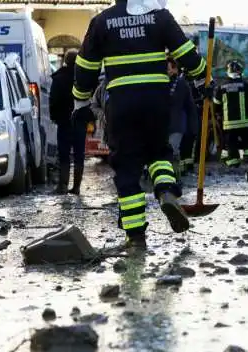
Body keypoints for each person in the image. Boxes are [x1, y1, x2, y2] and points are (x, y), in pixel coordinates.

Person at [72, 0, 212, 251]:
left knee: (127, 167)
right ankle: (166, 191)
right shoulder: (159, 16)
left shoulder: (102, 21)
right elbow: (186, 53)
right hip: (156, 100)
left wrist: (80, 101)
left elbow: (85, 67)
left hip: (121, 103)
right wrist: (204, 78)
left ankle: (135, 236)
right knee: (159, 152)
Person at [50, 50, 92, 195]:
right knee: (79, 154)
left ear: (66, 61)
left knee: (64, 154)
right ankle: (77, 187)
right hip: (80, 120)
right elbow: (89, 98)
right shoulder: (83, 77)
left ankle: (62, 186)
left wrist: (54, 116)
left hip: (64, 121)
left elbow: (53, 99)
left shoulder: (59, 77)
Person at [213, 60, 248, 167]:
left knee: (231, 143)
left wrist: (218, 115)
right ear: (240, 72)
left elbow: (216, 105)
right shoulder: (246, 85)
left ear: (227, 72)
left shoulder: (221, 87)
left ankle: (234, 162)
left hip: (229, 124)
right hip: (246, 123)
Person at [166, 56, 198, 180]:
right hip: (160, 126)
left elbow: (190, 106)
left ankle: (175, 177)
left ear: (175, 69)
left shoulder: (181, 84)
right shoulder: (159, 83)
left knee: (173, 151)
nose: (165, 71)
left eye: (167, 68)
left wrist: (193, 126)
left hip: (176, 125)